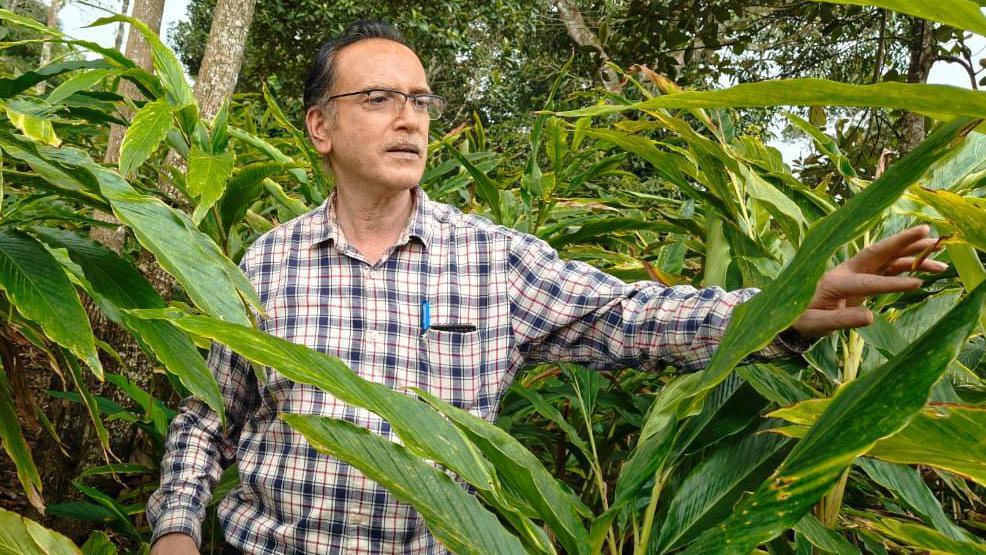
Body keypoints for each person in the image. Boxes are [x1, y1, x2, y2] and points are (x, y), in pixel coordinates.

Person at [147, 19, 947, 555]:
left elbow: (631, 316)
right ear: (321, 125)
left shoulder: (490, 259)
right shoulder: (264, 264)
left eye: (421, 100)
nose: (410, 119)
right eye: (379, 99)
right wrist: (176, 528)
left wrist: (784, 308)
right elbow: (209, 411)